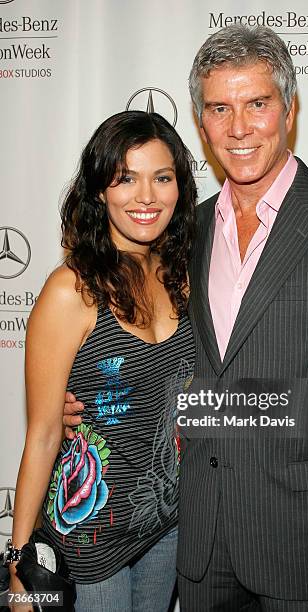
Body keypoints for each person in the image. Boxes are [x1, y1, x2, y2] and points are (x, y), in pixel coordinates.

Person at [64, 25, 308, 612]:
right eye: (220, 109)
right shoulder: (184, 232)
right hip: (200, 542)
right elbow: (163, 356)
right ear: (202, 123)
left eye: (257, 104)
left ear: (289, 108)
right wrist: (84, 401)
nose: (239, 128)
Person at [9, 110, 196, 612]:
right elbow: (45, 432)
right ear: (99, 191)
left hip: (167, 522)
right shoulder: (70, 291)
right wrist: (18, 559)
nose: (147, 197)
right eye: (126, 179)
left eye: (162, 177)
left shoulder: (184, 274)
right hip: (90, 537)